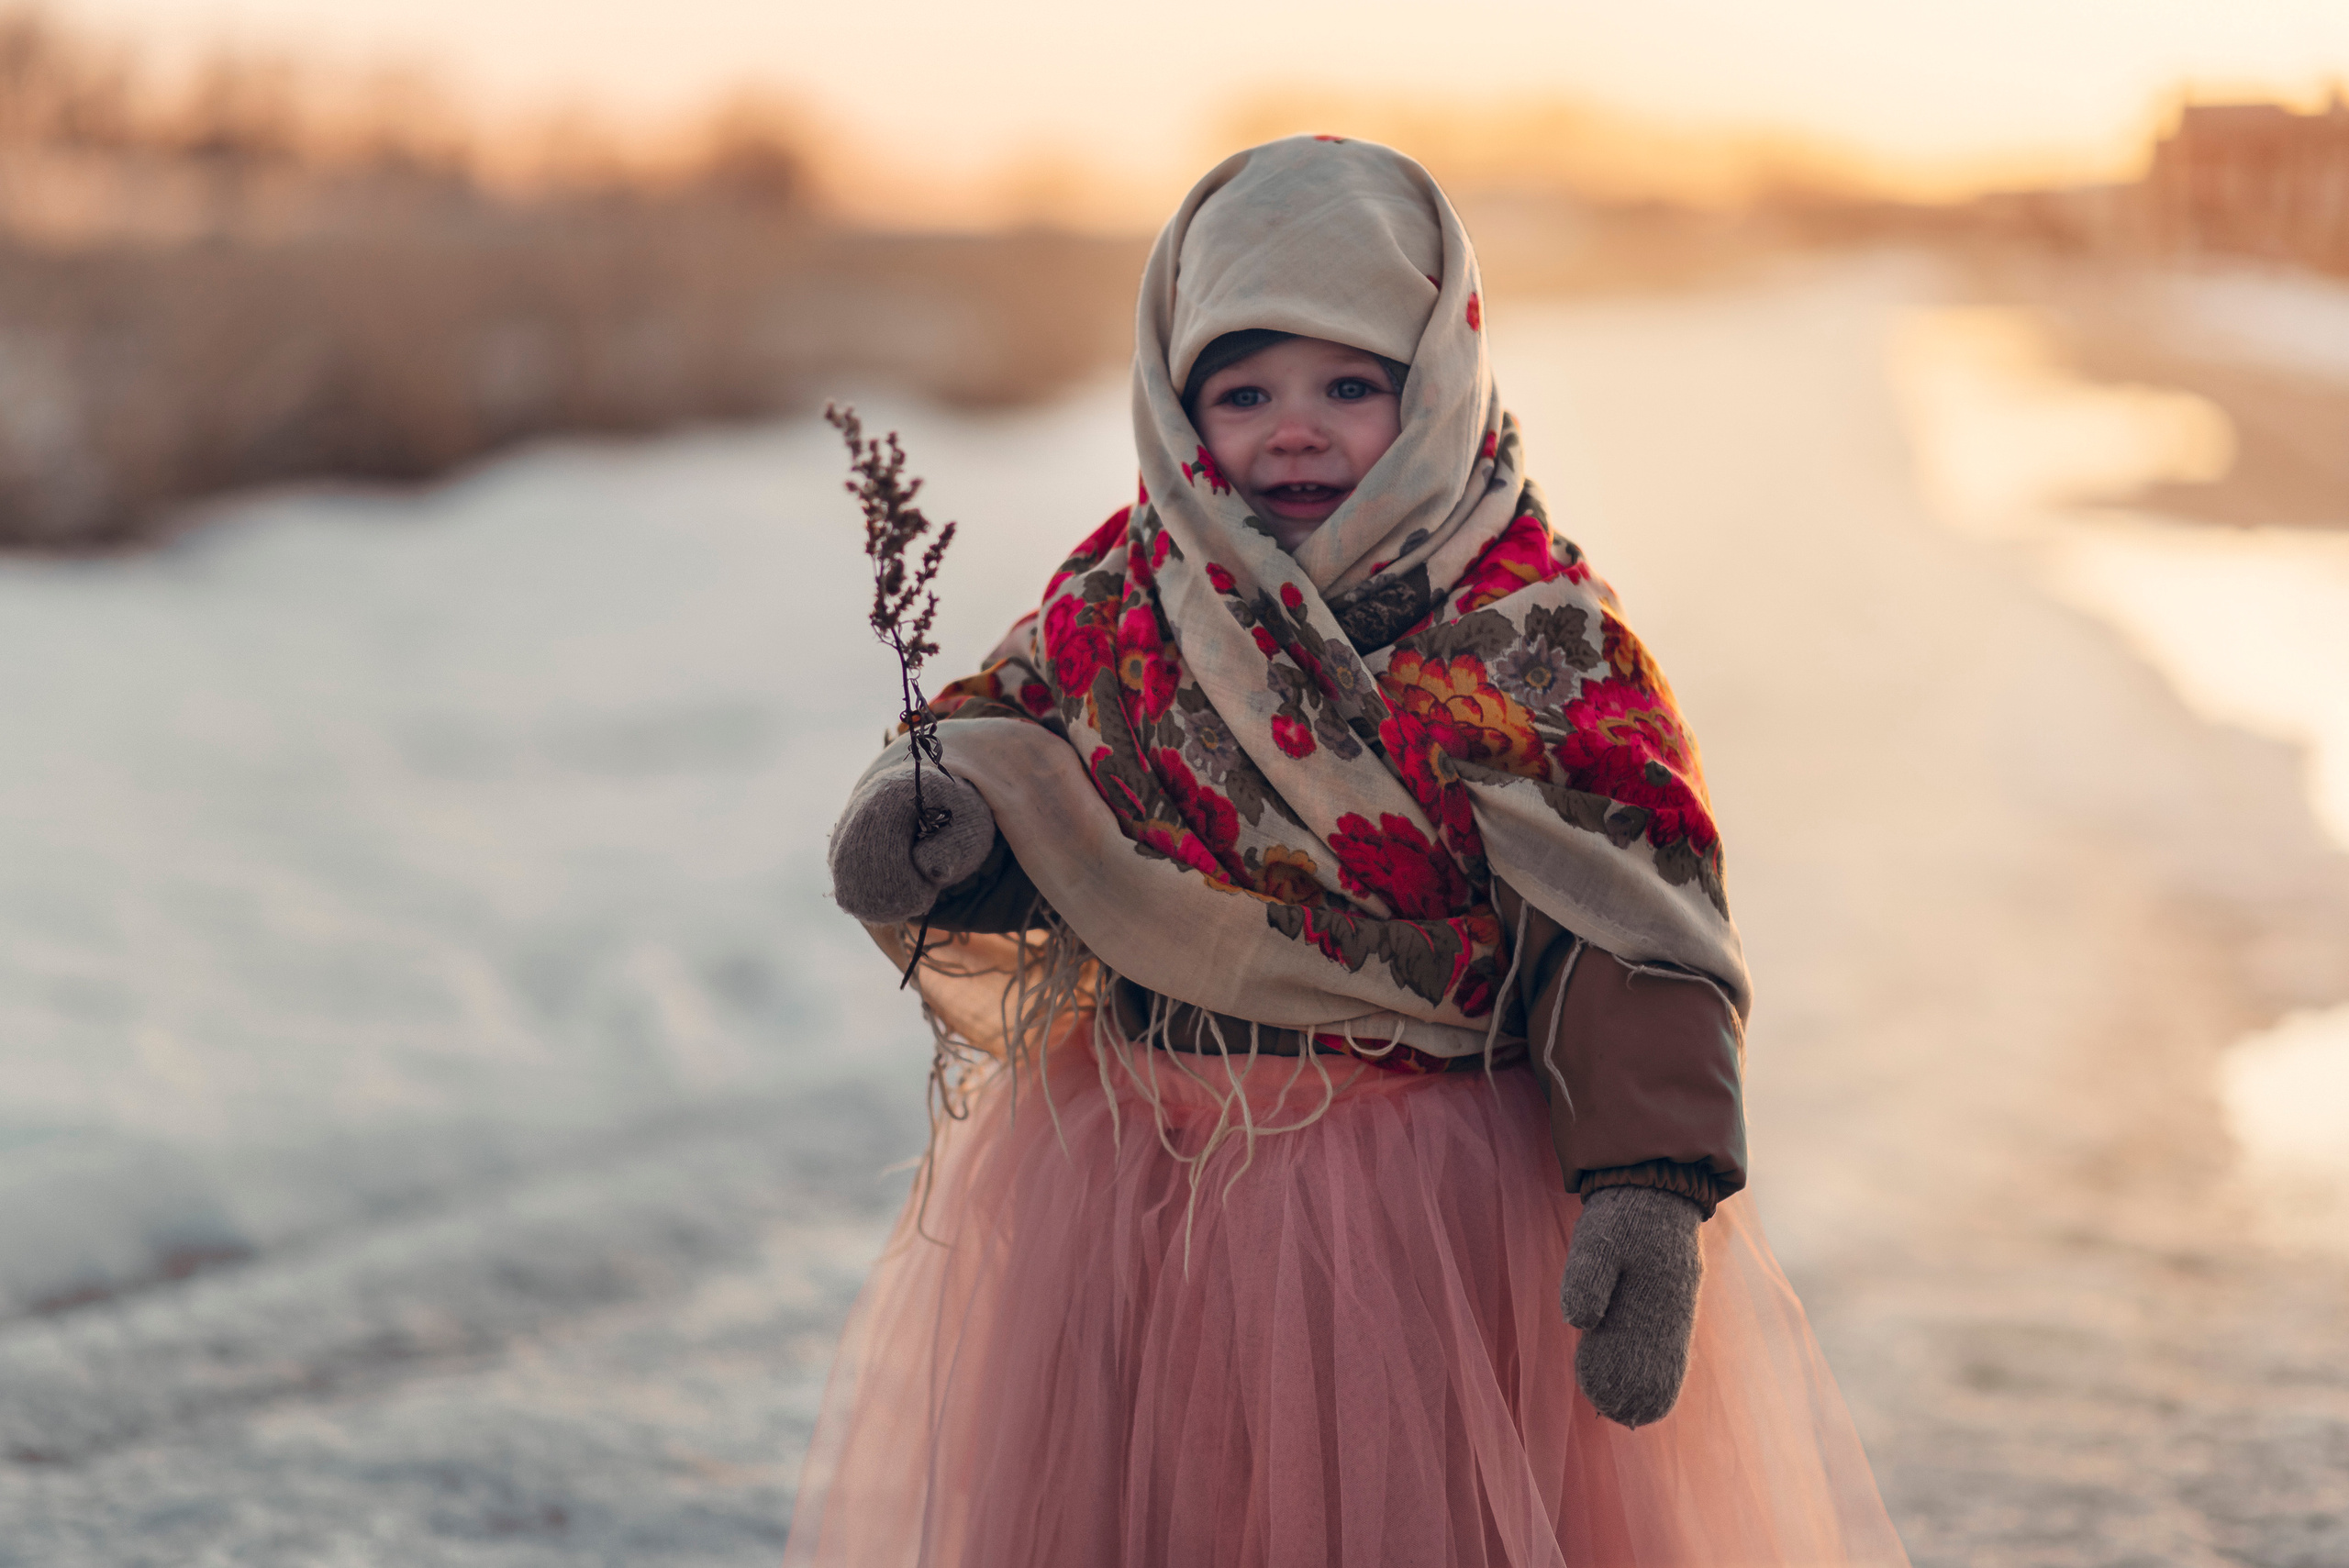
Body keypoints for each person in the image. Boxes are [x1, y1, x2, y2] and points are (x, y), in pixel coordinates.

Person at [786, 136, 1909, 1567]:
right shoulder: (1129, 597)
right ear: (1177, 404)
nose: (1296, 431)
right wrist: (946, 835)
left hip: (1424, 1215)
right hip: (1140, 1189)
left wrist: (1648, 1177)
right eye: (1245, 393)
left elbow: (1628, 922)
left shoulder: (1527, 625)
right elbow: (1044, 790)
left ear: (1437, 381)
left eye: (1349, 387)